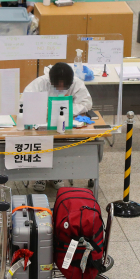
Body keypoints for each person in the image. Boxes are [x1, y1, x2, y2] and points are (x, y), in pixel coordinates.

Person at [24, 62, 93, 191]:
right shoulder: (41, 82)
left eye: (64, 86)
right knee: (42, 146)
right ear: (51, 80)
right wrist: (46, 110)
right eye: (58, 85)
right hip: (42, 125)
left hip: (64, 125)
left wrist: (67, 110)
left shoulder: (76, 83)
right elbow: (25, 100)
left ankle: (57, 174)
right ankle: (40, 175)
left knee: (61, 147)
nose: (61, 88)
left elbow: (87, 103)